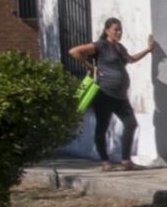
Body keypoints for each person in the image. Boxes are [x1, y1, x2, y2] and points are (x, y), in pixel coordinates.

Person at [68, 17, 160, 171]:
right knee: (102, 127)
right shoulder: (100, 46)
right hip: (104, 94)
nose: (119, 32)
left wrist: (148, 50)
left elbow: (130, 60)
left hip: (120, 96)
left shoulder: (120, 48)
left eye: (120, 29)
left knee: (131, 124)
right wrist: (90, 67)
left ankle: (126, 161)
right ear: (107, 30)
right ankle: (105, 162)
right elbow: (74, 52)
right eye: (115, 29)